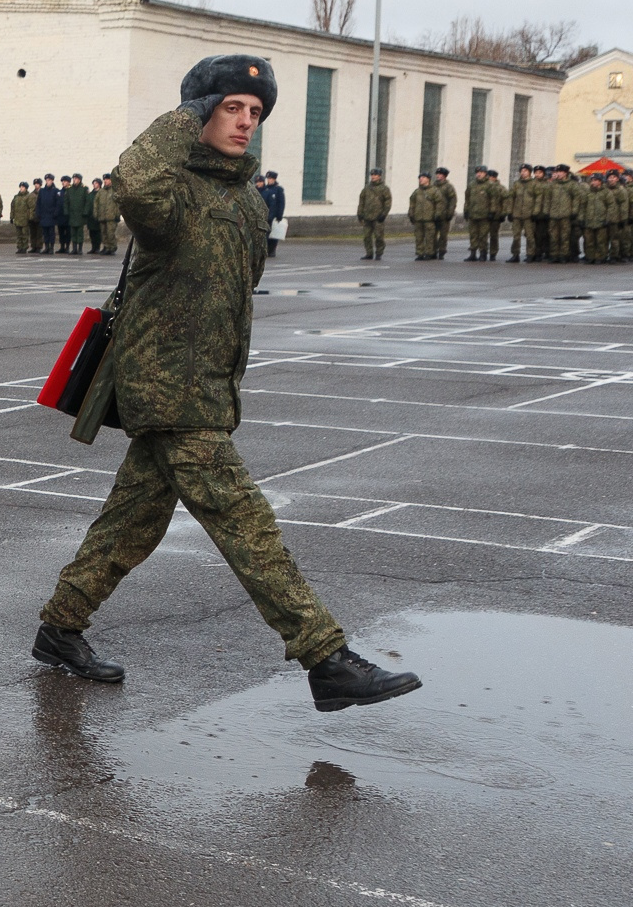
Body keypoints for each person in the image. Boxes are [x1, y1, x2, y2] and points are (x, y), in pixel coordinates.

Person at [33, 54, 420, 713]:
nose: (245, 122)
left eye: (255, 112)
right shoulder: (172, 191)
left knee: (131, 525)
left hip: (205, 388)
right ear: (200, 113)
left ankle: (59, 629)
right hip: (171, 392)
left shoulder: (244, 201)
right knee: (248, 526)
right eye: (231, 107)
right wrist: (182, 116)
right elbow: (131, 180)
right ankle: (325, 656)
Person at [358, 169, 390, 260]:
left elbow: (387, 202)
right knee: (367, 236)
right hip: (367, 216)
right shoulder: (367, 188)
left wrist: (384, 214)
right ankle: (369, 253)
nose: (373, 176)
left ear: (379, 176)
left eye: (375, 175)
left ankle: (379, 253)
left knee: (379, 236)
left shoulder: (384, 189)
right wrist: (360, 213)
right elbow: (362, 201)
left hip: (378, 217)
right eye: (372, 175)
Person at [258, 170, 286, 258]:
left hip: (274, 215)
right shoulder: (266, 189)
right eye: (268, 178)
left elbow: (281, 203)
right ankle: (265, 250)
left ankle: (272, 250)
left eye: (270, 179)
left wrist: (279, 215)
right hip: (266, 215)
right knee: (265, 234)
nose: (269, 180)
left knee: (274, 234)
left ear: (274, 179)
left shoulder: (278, 189)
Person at [408, 172, 436, 260]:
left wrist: (437, 214)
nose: (421, 179)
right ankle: (420, 253)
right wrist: (411, 214)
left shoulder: (434, 191)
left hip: (430, 218)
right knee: (419, 237)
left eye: (423, 177)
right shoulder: (417, 192)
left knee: (429, 237)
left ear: (428, 179)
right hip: (418, 218)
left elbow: (439, 203)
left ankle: (429, 253)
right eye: (420, 177)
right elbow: (412, 203)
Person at [432, 168, 457, 260]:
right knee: (432, 234)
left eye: (440, 174)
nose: (438, 176)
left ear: (444, 176)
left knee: (443, 235)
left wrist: (450, 212)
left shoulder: (448, 187)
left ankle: (441, 251)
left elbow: (452, 201)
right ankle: (432, 251)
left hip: (444, 214)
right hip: (433, 214)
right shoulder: (433, 186)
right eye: (437, 174)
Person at [92, 173, 119, 254]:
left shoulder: (115, 190)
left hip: (111, 216)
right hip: (102, 216)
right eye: (104, 180)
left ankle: (112, 248)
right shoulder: (101, 191)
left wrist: (117, 214)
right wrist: (96, 214)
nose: (105, 181)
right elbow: (96, 203)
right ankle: (107, 247)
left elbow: (118, 204)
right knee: (103, 234)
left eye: (107, 179)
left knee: (110, 234)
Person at [63, 172, 90, 255]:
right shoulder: (69, 189)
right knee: (73, 232)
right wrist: (66, 211)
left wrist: (85, 211)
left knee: (80, 232)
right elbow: (66, 201)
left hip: (80, 214)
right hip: (72, 214)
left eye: (76, 179)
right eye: (74, 179)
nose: (74, 180)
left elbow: (87, 201)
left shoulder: (84, 189)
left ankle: (80, 248)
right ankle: (74, 248)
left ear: (80, 180)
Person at [35, 175, 63, 254]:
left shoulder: (56, 191)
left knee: (51, 232)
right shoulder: (42, 191)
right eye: (47, 180)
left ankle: (51, 247)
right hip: (44, 215)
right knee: (45, 233)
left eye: (49, 180)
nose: (48, 181)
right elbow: (38, 203)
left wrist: (56, 213)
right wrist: (38, 212)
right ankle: (46, 247)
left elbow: (58, 203)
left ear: (52, 181)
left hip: (51, 215)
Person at [10, 180, 34, 253]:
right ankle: (19, 247)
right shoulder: (16, 197)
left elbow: (31, 208)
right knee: (18, 235)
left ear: (26, 188)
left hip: (25, 219)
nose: (21, 188)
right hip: (17, 219)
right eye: (20, 187)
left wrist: (30, 217)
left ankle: (24, 247)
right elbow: (13, 207)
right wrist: (11, 217)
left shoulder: (29, 197)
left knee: (24, 235)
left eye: (23, 187)